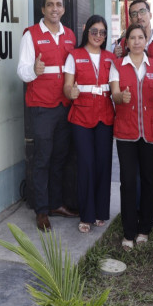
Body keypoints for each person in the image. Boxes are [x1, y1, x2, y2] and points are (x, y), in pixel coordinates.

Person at [17, 0, 78, 230]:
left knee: (60, 157)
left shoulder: (70, 35)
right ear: (43, 9)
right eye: (50, 4)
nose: (55, 8)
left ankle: (55, 203)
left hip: (64, 107)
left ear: (63, 9)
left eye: (59, 4)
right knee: (42, 159)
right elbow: (21, 70)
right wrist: (34, 70)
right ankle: (41, 210)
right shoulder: (31, 35)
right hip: (42, 107)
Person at [114, 0, 153, 225]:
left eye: (142, 11)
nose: (139, 16)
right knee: (134, 173)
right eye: (133, 13)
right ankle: (137, 210)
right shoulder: (123, 47)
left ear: (150, 13)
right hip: (131, 121)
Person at [110, 23, 153, 251]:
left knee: (149, 179)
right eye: (131, 38)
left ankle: (145, 229)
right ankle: (129, 231)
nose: (135, 41)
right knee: (128, 182)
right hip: (126, 132)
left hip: (151, 132)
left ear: (146, 40)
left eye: (140, 37)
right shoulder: (117, 66)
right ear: (126, 43)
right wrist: (120, 97)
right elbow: (114, 94)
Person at [63, 15, 116, 233]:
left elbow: (115, 88)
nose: (98, 36)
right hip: (81, 117)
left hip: (104, 115)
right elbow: (67, 86)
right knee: (86, 164)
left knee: (103, 163)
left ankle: (101, 212)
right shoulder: (74, 56)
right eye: (94, 31)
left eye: (102, 32)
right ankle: (86, 214)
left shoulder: (111, 58)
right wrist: (71, 91)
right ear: (86, 31)